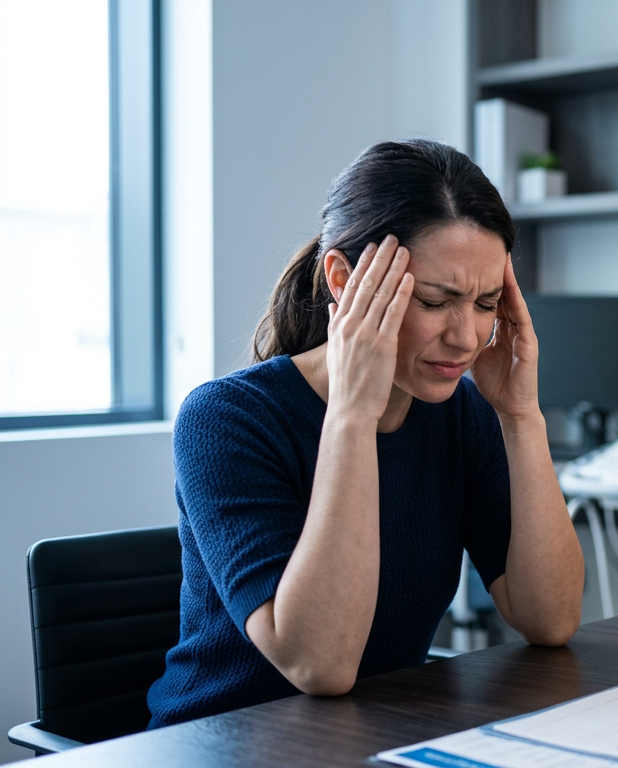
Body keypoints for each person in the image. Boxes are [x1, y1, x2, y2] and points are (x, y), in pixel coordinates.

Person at [147, 140, 583, 727]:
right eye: (436, 299)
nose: (466, 336)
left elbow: (549, 619)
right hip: (225, 742)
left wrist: (521, 415)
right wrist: (352, 412)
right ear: (343, 278)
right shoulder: (227, 420)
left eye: (486, 303)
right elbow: (319, 666)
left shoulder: (463, 413)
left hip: (369, 736)